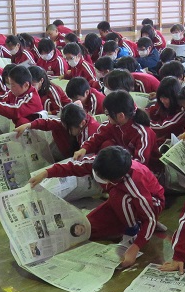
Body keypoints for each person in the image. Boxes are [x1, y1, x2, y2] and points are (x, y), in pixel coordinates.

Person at [31, 145, 165, 269]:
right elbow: (74, 166)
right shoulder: (103, 162)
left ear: (115, 178)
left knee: (120, 196)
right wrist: (46, 173)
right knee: (87, 228)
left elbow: (150, 218)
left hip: (150, 204)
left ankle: (133, 230)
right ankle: (133, 222)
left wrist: (135, 247)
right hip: (119, 203)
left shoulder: (135, 183)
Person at [75, 91, 155, 164]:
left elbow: (140, 163)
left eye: (108, 114)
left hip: (144, 169)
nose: (107, 117)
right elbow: (98, 137)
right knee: (107, 144)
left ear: (121, 116)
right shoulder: (115, 124)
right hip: (124, 160)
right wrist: (84, 149)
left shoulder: (142, 133)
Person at [17, 103, 99, 159]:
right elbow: (49, 123)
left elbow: (85, 159)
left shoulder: (89, 134)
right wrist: (29, 125)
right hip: (67, 151)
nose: (67, 130)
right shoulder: (76, 120)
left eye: (68, 129)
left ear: (82, 124)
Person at [148, 77, 185, 143]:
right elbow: (152, 112)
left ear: (174, 97)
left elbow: (162, 128)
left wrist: (144, 122)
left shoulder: (182, 111)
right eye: (160, 97)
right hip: (161, 138)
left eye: (165, 98)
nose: (162, 100)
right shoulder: (162, 104)